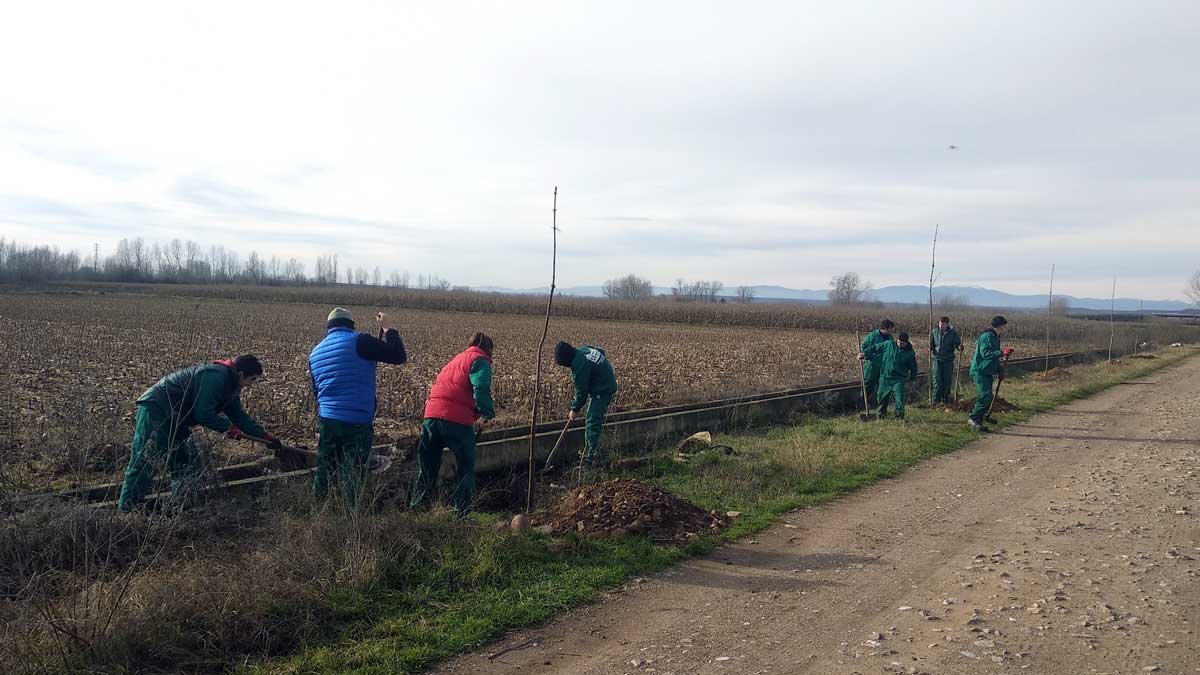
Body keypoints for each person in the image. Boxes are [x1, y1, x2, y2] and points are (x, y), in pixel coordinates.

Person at [117, 354, 279, 511]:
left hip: (177, 418)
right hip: (157, 409)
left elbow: (239, 417)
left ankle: (180, 504)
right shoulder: (215, 377)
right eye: (252, 379)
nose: (250, 384)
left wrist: (266, 437)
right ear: (242, 374)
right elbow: (203, 413)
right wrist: (228, 429)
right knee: (146, 458)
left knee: (186, 461)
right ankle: (128, 508)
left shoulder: (231, 386)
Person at [309, 307, 407, 505]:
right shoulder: (359, 341)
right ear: (351, 326)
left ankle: (318, 512)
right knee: (352, 471)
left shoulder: (315, 353)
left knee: (325, 470)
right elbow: (398, 355)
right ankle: (350, 520)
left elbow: (316, 391)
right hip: (356, 422)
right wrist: (388, 328)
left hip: (327, 421)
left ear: (329, 328)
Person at [410, 333, 496, 514]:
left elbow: (450, 389)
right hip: (456, 421)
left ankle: (417, 509)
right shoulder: (480, 360)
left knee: (427, 465)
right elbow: (480, 388)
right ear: (487, 350)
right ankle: (461, 513)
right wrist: (486, 413)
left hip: (431, 417)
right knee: (465, 466)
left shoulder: (456, 360)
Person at [554, 341, 619, 466]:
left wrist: (574, 409)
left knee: (592, 420)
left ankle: (592, 455)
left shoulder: (579, 364)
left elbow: (582, 391)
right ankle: (590, 451)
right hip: (602, 383)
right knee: (591, 418)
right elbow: (601, 351)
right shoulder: (582, 350)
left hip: (604, 389)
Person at [860, 331, 920, 420]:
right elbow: (875, 347)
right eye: (898, 342)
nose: (899, 344)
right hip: (885, 377)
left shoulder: (909, 353)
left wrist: (912, 377)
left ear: (906, 343)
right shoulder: (889, 344)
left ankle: (899, 417)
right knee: (881, 397)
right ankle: (881, 415)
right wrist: (864, 353)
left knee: (899, 398)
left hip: (899, 379)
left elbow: (913, 367)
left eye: (902, 343)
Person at [969, 315, 1015, 431]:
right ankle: (973, 418)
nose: (1003, 330)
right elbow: (986, 354)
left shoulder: (995, 337)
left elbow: (994, 358)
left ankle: (981, 417)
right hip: (980, 370)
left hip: (988, 371)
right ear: (998, 327)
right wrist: (1002, 352)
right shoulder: (986, 337)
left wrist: (999, 370)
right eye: (1002, 328)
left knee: (987, 396)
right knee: (985, 395)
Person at [859, 320, 896, 406]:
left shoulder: (890, 337)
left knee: (881, 386)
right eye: (891, 328)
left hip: (884, 366)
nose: (892, 330)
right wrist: (865, 355)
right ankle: (861, 403)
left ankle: (877, 403)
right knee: (868, 384)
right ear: (886, 328)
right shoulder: (873, 336)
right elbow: (864, 348)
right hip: (872, 365)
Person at [929, 316, 962, 405]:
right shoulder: (934, 332)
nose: (941, 326)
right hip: (936, 359)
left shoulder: (953, 333)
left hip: (948, 360)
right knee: (936, 380)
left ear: (947, 324)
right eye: (940, 324)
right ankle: (935, 400)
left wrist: (960, 347)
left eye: (943, 324)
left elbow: (957, 344)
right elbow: (931, 343)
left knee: (947, 380)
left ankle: (946, 400)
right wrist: (929, 348)